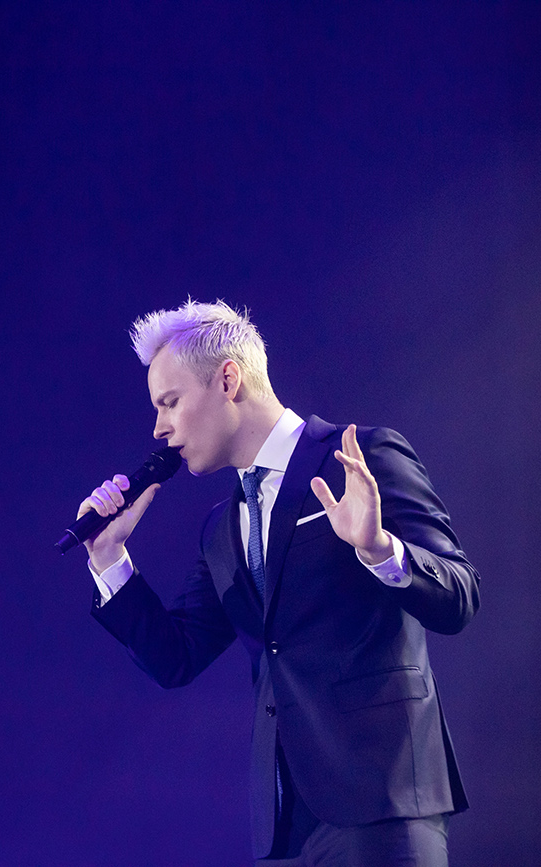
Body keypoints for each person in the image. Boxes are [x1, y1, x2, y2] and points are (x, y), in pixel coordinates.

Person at [79, 300, 478, 866]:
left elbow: (459, 595)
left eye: (170, 402)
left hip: (383, 802)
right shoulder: (222, 528)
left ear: (228, 380)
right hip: (287, 828)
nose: (159, 428)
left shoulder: (360, 457)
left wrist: (379, 549)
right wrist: (109, 557)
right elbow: (176, 658)